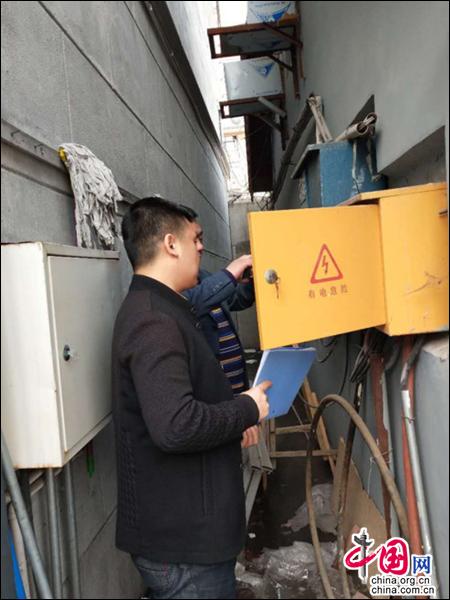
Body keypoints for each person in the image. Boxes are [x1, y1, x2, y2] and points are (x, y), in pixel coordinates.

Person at [112, 196, 271, 599]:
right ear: (171, 244)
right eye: (196, 239)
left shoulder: (166, 307)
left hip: (188, 534)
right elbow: (176, 425)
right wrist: (246, 407)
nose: (201, 247)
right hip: (184, 548)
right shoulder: (153, 319)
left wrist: (235, 418)